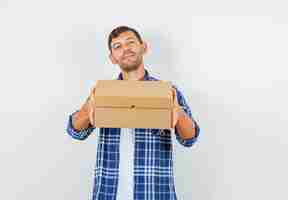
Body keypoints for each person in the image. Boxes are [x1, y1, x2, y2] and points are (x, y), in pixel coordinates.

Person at [66, 26, 201, 200]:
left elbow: (190, 139)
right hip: (109, 193)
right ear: (112, 58)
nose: (125, 49)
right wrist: (88, 107)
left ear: (143, 47)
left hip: (155, 193)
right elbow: (76, 132)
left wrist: (178, 112)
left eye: (130, 42)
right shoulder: (103, 92)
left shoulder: (167, 91)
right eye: (117, 46)